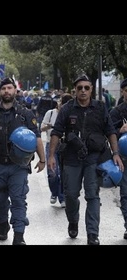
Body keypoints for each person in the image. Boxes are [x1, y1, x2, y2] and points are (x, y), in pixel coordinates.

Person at [48, 74, 123, 245]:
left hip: (93, 158)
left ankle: (92, 234)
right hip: (72, 158)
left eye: (86, 88)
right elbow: (56, 132)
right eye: (79, 88)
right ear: (75, 90)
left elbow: (110, 131)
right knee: (71, 195)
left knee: (92, 196)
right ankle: (73, 221)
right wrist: (51, 156)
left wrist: (115, 153)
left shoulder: (100, 107)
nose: (83, 91)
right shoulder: (67, 109)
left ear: (91, 90)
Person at [0, 77, 45, 245]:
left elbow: (36, 137)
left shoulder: (25, 114)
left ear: (15, 91)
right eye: (4, 88)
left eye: (10, 88)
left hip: (19, 166)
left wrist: (42, 159)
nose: (7, 91)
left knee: (19, 200)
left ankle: (19, 236)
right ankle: (2, 223)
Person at [41, 94, 74, 208]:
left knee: (63, 173)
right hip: (52, 145)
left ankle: (62, 197)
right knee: (53, 173)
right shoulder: (50, 113)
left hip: (65, 146)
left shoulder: (70, 114)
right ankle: (54, 193)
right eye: (62, 103)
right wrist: (49, 126)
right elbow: (41, 128)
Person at [109, 77, 127, 240]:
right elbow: (109, 132)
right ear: (122, 92)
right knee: (126, 193)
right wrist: (120, 130)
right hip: (124, 159)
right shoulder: (117, 112)